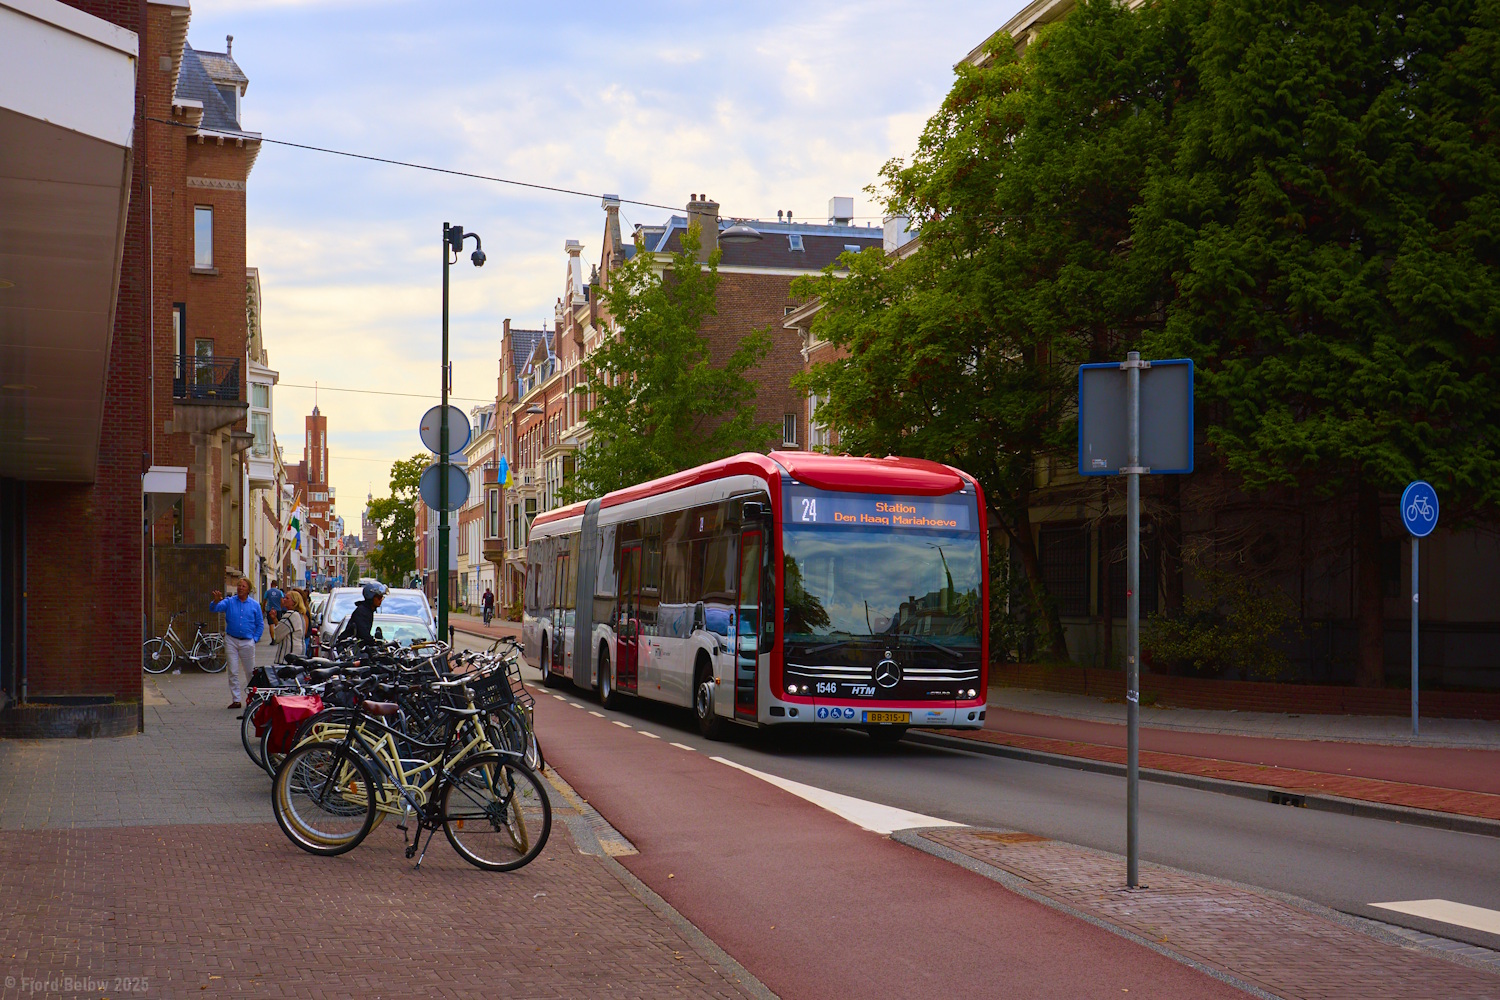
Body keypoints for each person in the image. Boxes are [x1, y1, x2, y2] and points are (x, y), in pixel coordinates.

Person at [210, 577, 264, 709]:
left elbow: (260, 624)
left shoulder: (254, 605)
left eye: (243, 586)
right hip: (231, 640)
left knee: (250, 672)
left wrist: (254, 639)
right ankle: (236, 699)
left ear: (248, 589)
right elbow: (215, 608)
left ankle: (252, 698)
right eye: (239, 585)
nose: (240, 588)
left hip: (247, 641)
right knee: (233, 671)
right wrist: (215, 602)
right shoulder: (229, 602)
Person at [274, 590, 308, 663]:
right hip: (300, 651)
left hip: (288, 654)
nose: (284, 600)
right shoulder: (300, 615)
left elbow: (277, 634)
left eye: (287, 598)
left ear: (294, 602)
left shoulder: (290, 615)